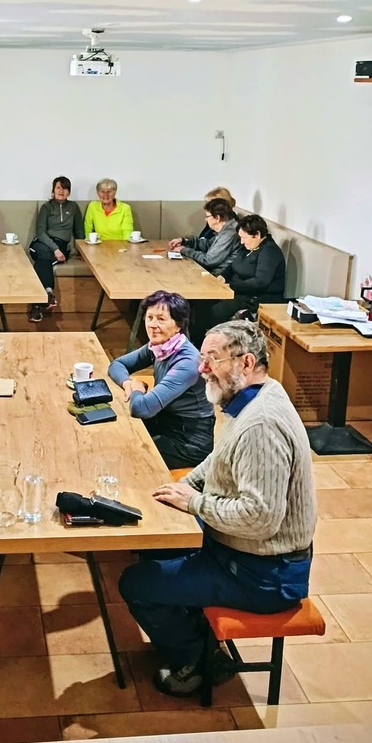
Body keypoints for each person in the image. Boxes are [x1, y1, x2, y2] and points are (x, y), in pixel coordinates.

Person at [118, 320, 317, 698]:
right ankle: (195, 629)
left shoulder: (262, 425)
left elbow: (260, 518)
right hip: (246, 557)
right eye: (202, 357)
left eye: (213, 358)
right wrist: (188, 485)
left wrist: (194, 502)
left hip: (263, 576)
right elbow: (221, 457)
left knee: (135, 583)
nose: (202, 368)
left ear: (246, 363)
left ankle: (198, 660)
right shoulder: (259, 395)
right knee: (156, 547)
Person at [107, 291, 214, 469]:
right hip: (163, 420)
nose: (153, 325)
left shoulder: (187, 362)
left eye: (161, 319)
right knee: (116, 431)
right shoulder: (159, 346)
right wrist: (128, 383)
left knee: (127, 453)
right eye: (149, 318)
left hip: (189, 441)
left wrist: (138, 389)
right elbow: (116, 365)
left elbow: (141, 408)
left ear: (178, 325)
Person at [200, 214, 287, 333]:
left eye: (244, 238)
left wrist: (231, 286)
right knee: (202, 302)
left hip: (257, 297)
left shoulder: (269, 252)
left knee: (214, 311)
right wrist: (222, 277)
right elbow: (232, 265)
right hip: (238, 292)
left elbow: (260, 282)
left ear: (257, 235)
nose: (241, 242)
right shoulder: (249, 247)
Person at [28, 175, 85, 322]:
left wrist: (82, 252)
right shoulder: (46, 208)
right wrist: (55, 249)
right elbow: (40, 232)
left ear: (69, 192)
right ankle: (45, 296)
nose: (61, 191)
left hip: (61, 246)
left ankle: (41, 302)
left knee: (42, 262)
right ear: (53, 190)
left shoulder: (73, 207)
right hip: (42, 244)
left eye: (65, 188)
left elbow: (79, 231)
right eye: (58, 187)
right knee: (44, 255)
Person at [168, 198, 239, 276]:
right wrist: (185, 241)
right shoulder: (226, 229)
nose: (205, 220)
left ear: (217, 218)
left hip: (216, 276)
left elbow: (208, 261)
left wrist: (184, 250)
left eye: (207, 216)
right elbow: (208, 245)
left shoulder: (229, 234)